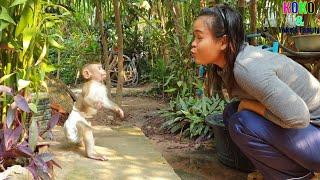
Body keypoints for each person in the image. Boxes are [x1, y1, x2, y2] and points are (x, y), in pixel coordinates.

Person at [191, 4, 320, 179]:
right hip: (309, 134)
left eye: (199, 38)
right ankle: (285, 171)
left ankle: (297, 176)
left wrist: (249, 105)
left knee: (241, 122)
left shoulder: (247, 68)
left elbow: (299, 117)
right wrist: (245, 106)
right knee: (231, 112)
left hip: (312, 133)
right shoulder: (231, 65)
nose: (193, 44)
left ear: (223, 42)